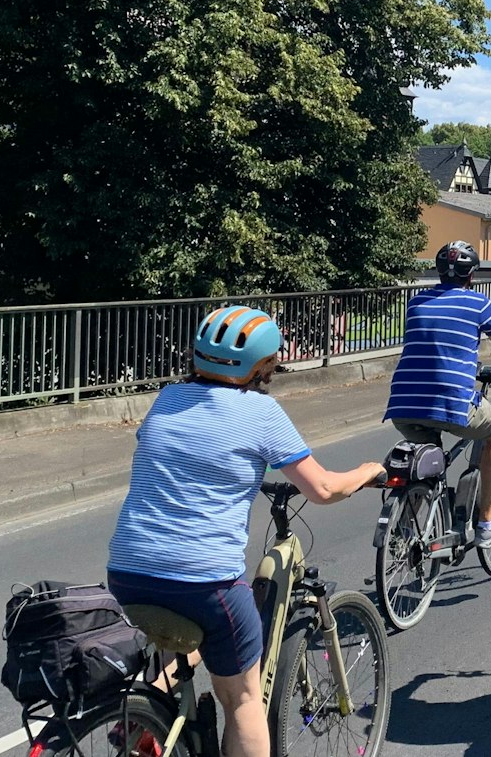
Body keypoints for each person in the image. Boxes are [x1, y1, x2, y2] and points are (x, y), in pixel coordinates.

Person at [107, 305, 388, 757]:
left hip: (126, 572)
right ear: (261, 366)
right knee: (242, 697)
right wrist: (365, 471)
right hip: (204, 582)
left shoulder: (168, 397)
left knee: (200, 632)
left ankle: (148, 716)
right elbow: (321, 488)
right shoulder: (260, 411)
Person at [384, 241, 491, 548]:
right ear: (472, 274)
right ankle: (487, 523)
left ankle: (405, 532)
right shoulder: (478, 304)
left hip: (402, 402)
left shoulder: (416, 302)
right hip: (451, 400)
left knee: (424, 461)